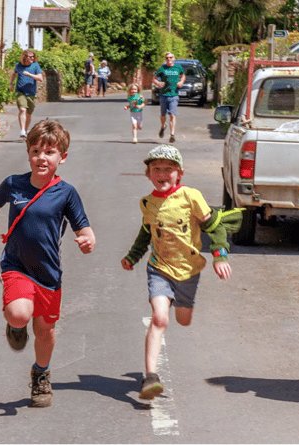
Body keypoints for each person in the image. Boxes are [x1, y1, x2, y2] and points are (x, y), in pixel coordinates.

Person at [0, 119, 97, 408]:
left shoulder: (66, 193)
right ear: (28, 153)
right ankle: (16, 324)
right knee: (18, 314)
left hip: (48, 273)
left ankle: (41, 374)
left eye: (50, 152)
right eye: (36, 151)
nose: (42, 157)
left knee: (45, 331)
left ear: (62, 158)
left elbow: (84, 228)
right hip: (15, 265)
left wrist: (88, 240)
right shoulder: (13, 184)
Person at [120, 145, 233, 400]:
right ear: (148, 173)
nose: (162, 173)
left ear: (179, 173)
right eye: (156, 169)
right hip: (159, 268)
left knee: (183, 320)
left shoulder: (190, 196)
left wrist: (219, 255)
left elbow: (214, 226)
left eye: (168, 169)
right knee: (160, 319)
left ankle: (180, 303)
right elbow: (145, 235)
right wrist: (133, 256)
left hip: (188, 271)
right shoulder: (147, 203)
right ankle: (150, 376)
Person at [8, 50, 44, 139]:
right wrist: (11, 83)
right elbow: (14, 74)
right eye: (30, 57)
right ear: (25, 57)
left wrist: (30, 75)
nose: (32, 58)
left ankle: (26, 130)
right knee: (22, 110)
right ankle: (23, 130)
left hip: (31, 93)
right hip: (20, 91)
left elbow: (40, 78)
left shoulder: (35, 65)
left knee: (29, 113)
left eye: (33, 57)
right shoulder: (18, 65)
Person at [153, 52, 185, 143]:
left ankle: (172, 134)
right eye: (167, 58)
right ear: (165, 59)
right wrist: (158, 83)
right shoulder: (162, 68)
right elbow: (154, 79)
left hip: (174, 95)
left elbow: (183, 76)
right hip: (163, 95)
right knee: (163, 115)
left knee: (172, 114)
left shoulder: (178, 68)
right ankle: (163, 126)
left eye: (171, 57)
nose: (169, 59)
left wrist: (181, 82)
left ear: (174, 58)